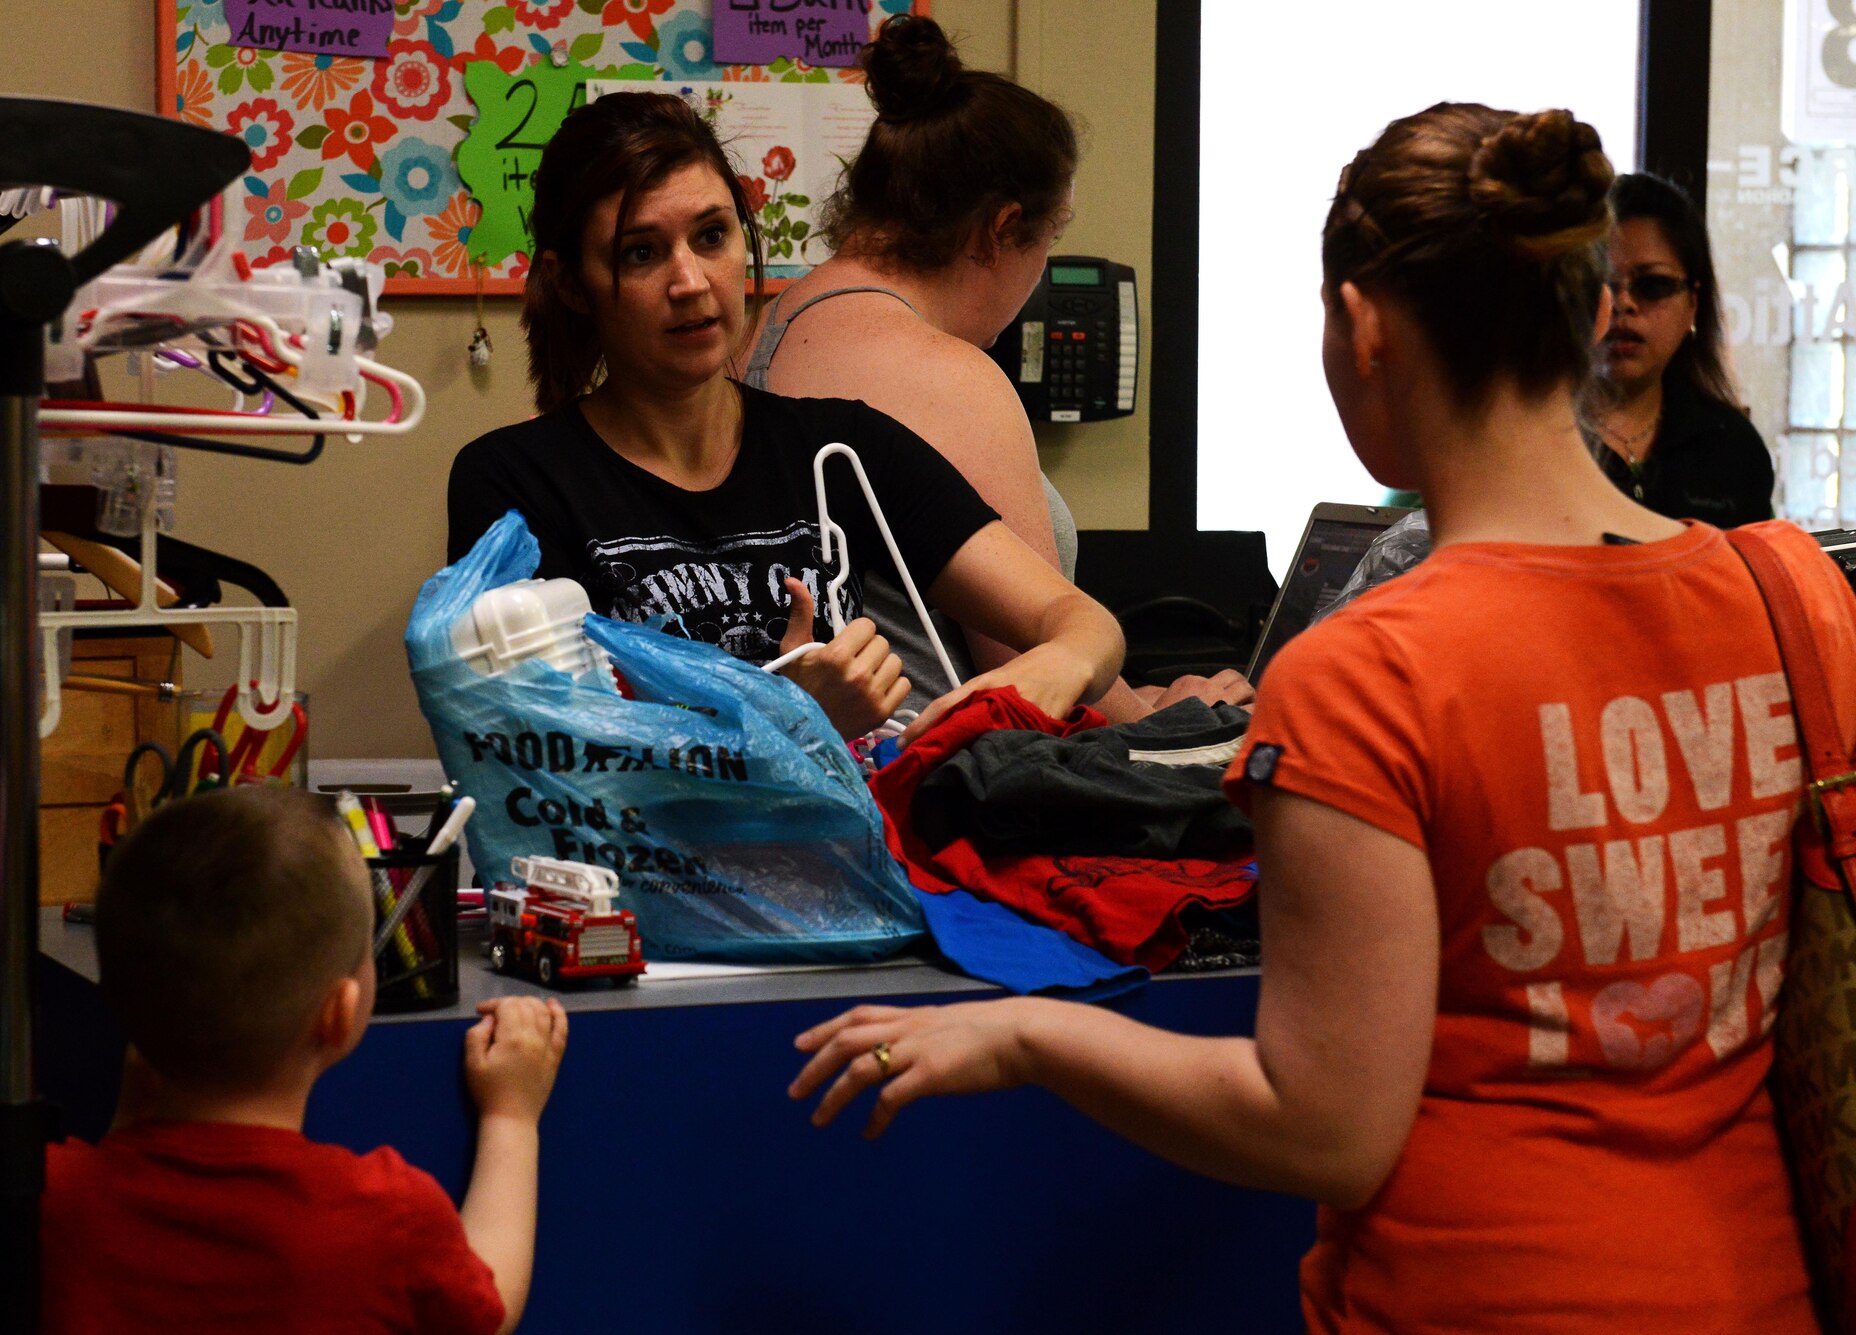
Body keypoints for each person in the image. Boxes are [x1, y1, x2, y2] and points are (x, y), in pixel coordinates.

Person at [790, 103, 1845, 1333]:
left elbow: (1323, 1122)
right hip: (1757, 1290)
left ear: (1360, 327)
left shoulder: (1368, 672)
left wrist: (1028, 1039)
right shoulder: (1789, 591)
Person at [448, 90, 1126, 742]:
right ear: (571, 283)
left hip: (851, 856)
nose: (690, 282)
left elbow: (1082, 622)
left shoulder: (841, 448)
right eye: (642, 252)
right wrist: (791, 716)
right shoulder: (513, 483)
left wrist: (1052, 665)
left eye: (711, 236)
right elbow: (545, 762)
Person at [741, 15, 1250, 722]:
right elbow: (1034, 678)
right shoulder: (948, 378)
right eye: (1052, 235)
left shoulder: (767, 326)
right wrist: (1177, 714)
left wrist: (1141, 697)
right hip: (930, 779)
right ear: (1000, 230)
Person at [42, 786, 567, 1335]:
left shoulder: (50, 1198)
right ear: (338, 1013)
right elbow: (491, 1308)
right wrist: (511, 1116)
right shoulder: (389, 1216)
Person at [1588, 171, 1773, 527]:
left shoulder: (1732, 446)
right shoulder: (1533, 439)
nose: (1623, 303)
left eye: (1652, 285)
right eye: (1601, 285)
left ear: (1693, 303)